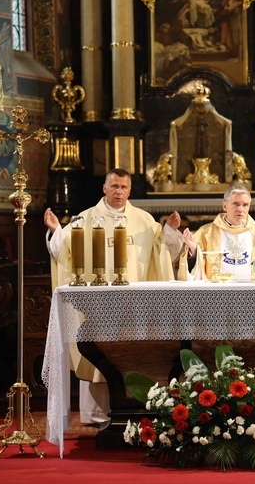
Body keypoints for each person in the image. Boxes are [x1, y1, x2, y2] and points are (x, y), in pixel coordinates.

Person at [44, 168, 178, 426]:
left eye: (124, 187)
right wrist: (56, 230)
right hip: (99, 303)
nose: (119, 191)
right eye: (114, 186)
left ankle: (136, 405)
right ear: (104, 189)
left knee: (131, 351)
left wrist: (170, 232)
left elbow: (163, 252)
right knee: (97, 351)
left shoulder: (144, 220)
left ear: (130, 190)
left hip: (134, 303)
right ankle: (94, 414)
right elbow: (64, 250)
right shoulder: (85, 219)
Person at [171, 184, 255, 281]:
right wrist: (193, 251)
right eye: (236, 204)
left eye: (245, 205)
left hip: (253, 293)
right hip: (216, 294)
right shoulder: (206, 232)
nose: (240, 209)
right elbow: (193, 269)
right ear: (224, 206)